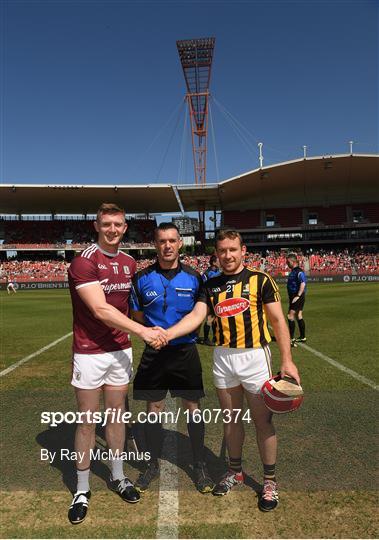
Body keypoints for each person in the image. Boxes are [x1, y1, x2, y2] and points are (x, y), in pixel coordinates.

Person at [164, 229, 300, 511]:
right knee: (231, 420)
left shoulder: (260, 280)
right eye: (222, 250)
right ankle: (235, 472)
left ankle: (269, 481)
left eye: (232, 250)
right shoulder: (210, 284)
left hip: (254, 358)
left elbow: (278, 321)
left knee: (263, 422)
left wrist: (287, 360)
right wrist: (168, 334)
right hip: (223, 358)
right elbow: (197, 316)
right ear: (217, 253)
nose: (227, 255)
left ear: (243, 250)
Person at [67, 203, 167, 525]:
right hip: (89, 351)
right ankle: (81, 489)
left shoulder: (128, 262)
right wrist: (144, 332)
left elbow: (130, 306)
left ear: (125, 228)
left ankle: (118, 476)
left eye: (118, 224)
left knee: (117, 417)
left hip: (120, 351)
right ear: (96, 226)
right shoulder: (83, 261)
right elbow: (101, 310)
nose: (112, 229)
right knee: (86, 422)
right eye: (106, 224)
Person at [130, 222, 214, 494]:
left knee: (192, 406)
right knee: (153, 409)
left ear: (180, 244)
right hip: (154, 352)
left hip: (184, 351)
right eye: (162, 241)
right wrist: (156, 337)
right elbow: (139, 318)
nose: (167, 245)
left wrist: (169, 334)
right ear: (156, 245)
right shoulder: (141, 278)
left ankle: (199, 464)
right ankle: (152, 464)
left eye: (172, 241)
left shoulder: (194, 277)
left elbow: (196, 316)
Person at [198, 255, 220, 346]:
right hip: (208, 298)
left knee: (215, 318)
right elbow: (203, 285)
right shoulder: (208, 273)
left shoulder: (216, 271)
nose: (220, 262)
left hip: (215, 298)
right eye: (218, 260)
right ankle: (206, 339)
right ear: (214, 262)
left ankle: (215, 337)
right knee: (209, 319)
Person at [286, 253, 307, 347]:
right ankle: (302, 337)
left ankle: (291, 339)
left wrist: (298, 296)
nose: (287, 263)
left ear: (292, 261)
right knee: (299, 315)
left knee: (290, 316)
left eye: (288, 262)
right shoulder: (293, 271)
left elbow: (303, 283)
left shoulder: (299, 271)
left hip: (297, 296)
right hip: (295, 296)